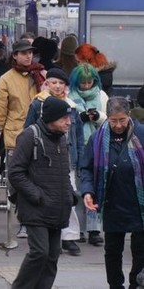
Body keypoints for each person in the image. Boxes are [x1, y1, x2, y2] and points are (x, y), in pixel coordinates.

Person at [9, 96, 79, 289]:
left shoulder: (62, 139)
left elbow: (64, 172)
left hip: (58, 207)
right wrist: (35, 195)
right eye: (64, 118)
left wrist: (71, 195)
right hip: (36, 208)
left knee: (52, 257)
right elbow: (15, 172)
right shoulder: (30, 136)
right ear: (51, 119)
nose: (69, 122)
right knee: (39, 252)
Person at [80, 97, 144, 289]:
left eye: (122, 120)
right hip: (111, 201)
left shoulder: (141, 133)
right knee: (113, 250)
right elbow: (86, 168)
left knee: (141, 250)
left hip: (139, 203)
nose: (117, 125)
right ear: (107, 117)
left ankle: (136, 283)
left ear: (129, 115)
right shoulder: (97, 138)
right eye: (113, 120)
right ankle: (115, 285)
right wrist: (87, 191)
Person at [0, 40, 46, 248]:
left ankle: (32, 221)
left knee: (37, 181)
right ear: (14, 55)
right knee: (18, 183)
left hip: (41, 137)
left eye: (30, 53)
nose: (28, 56)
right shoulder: (5, 80)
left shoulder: (40, 75)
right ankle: (22, 220)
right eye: (23, 53)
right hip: (15, 138)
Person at [24, 67, 83, 257]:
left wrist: (80, 158)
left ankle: (70, 236)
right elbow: (29, 128)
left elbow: (79, 136)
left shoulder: (72, 107)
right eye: (53, 82)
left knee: (69, 195)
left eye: (61, 83)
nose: (57, 86)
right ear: (46, 83)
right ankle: (49, 231)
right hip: (44, 157)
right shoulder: (37, 104)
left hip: (68, 157)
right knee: (49, 194)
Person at [68, 62, 108, 247]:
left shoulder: (101, 96)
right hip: (76, 147)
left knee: (94, 188)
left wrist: (97, 116)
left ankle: (94, 229)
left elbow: (109, 120)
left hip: (97, 146)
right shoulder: (69, 95)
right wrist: (79, 117)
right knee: (78, 190)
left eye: (89, 82)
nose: (85, 86)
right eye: (82, 82)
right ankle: (80, 229)